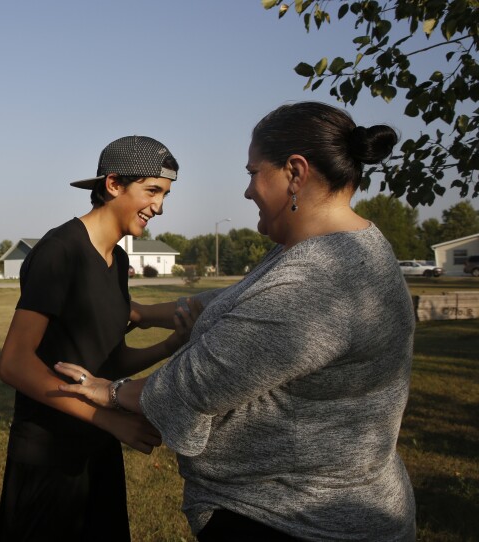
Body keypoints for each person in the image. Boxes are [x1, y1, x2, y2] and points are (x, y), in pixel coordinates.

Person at [56, 102, 417, 541]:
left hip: (295, 519)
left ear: (295, 173)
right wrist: (140, 313)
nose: (247, 191)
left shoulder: (319, 280)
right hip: (310, 506)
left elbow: (195, 386)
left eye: (252, 173)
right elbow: (234, 302)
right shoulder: (329, 250)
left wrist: (108, 390)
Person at [0, 135, 190, 541]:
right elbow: (15, 362)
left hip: (97, 445)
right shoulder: (59, 251)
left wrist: (169, 346)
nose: (159, 206)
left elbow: (108, 363)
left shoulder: (117, 260)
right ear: (114, 184)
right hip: (49, 452)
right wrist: (108, 418)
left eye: (165, 194)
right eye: (152, 190)